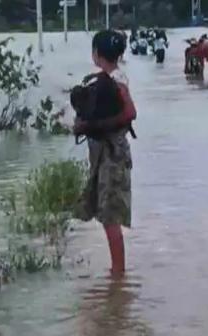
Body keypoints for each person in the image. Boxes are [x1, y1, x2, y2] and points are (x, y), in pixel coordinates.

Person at [73, 30, 137, 277]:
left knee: (111, 216)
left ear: (96, 53)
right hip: (106, 151)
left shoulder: (115, 81)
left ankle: (118, 275)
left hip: (112, 153)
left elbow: (130, 113)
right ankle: (117, 272)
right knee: (105, 210)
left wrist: (93, 125)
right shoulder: (108, 79)